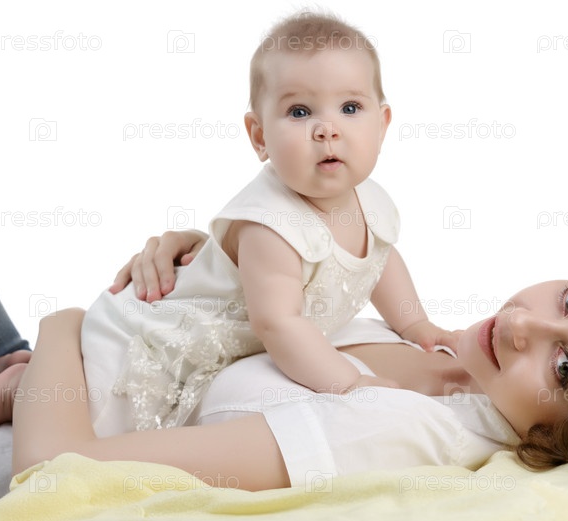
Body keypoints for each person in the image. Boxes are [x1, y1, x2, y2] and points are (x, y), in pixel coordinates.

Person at [0, 230, 568, 492]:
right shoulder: (451, 354)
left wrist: (63, 325)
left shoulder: (399, 430)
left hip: (16, 431)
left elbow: (57, 465)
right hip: (32, 378)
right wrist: (213, 259)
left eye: (562, 365)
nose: (521, 322)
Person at [80, 11, 457, 435]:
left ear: (382, 125)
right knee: (97, 420)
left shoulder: (371, 200)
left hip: (218, 357)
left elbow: (379, 260)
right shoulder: (269, 223)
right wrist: (350, 384)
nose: (326, 129)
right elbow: (278, 323)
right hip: (148, 344)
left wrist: (414, 324)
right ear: (259, 137)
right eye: (300, 111)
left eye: (350, 107)